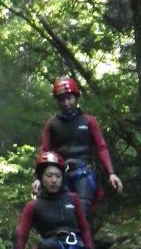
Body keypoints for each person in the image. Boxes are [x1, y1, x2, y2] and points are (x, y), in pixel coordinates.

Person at [35, 76, 123, 231]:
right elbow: (44, 151)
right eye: (62, 100)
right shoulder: (52, 125)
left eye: (69, 98)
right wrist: (37, 178)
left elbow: (101, 147)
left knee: (83, 208)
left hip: (84, 172)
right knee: (65, 212)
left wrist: (111, 173)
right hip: (62, 175)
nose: (66, 103)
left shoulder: (89, 121)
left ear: (76, 97)